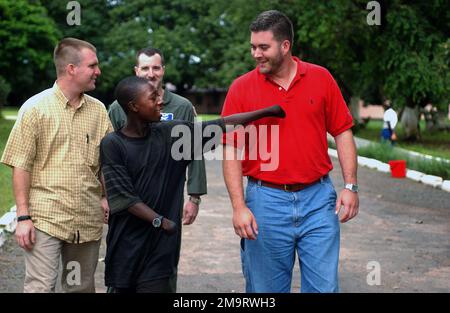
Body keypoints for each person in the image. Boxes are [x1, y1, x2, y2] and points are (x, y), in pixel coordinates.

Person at [100, 76, 285, 293]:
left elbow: (221, 124)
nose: (160, 101)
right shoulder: (113, 144)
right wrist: (161, 222)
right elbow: (124, 197)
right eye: (153, 98)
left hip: (159, 252)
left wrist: (266, 112)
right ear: (133, 106)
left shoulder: (172, 135)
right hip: (126, 248)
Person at [221, 10, 359, 293]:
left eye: (263, 47)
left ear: (285, 46)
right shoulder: (241, 89)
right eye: (253, 47)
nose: (256, 54)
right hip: (265, 201)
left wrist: (350, 185)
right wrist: (239, 207)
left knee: (324, 289)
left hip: (318, 200)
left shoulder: (321, 78)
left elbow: (342, 131)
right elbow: (231, 150)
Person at [0, 38, 113, 292]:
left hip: (86, 217)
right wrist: (23, 216)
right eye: (92, 65)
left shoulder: (98, 111)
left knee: (81, 288)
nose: (98, 71)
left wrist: (106, 196)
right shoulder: (35, 108)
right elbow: (21, 164)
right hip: (45, 218)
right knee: (40, 287)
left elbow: (106, 161)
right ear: (71, 69)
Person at [108, 48, 206, 226]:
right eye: (145, 68)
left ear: (163, 70)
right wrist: (105, 196)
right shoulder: (118, 107)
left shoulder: (181, 106)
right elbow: (108, 158)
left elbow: (195, 152)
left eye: (156, 68)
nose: (151, 74)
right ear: (136, 71)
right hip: (129, 199)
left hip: (168, 197)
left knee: (165, 247)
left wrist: (194, 197)